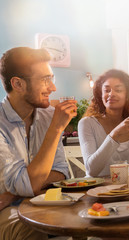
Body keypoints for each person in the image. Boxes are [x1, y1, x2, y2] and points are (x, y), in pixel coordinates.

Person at [0, 47, 75, 239]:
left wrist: (15, 193)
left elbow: (60, 172)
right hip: (5, 210)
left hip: (36, 201)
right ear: (17, 84)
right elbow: (27, 185)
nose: (53, 88)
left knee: (82, 218)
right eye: (45, 80)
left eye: (52, 78)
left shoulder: (48, 115)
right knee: (33, 227)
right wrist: (56, 129)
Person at [78, 69, 129, 177]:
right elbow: (91, 170)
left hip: (124, 189)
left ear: (127, 95)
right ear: (101, 95)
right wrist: (115, 133)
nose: (111, 94)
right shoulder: (87, 123)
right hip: (96, 190)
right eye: (107, 90)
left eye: (118, 90)